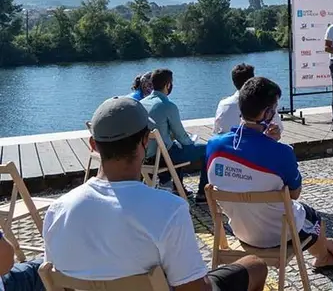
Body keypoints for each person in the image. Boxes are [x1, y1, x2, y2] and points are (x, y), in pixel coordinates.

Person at [43, 97, 268, 291]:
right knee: (255, 265)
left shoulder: (57, 211)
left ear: (93, 145)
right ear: (145, 141)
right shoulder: (170, 209)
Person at [207, 77, 333, 269]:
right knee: (314, 219)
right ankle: (327, 254)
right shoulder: (281, 152)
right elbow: (294, 193)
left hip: (242, 232)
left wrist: (266, 143)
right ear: (267, 113)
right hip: (278, 235)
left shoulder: (214, 146)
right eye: (274, 110)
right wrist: (272, 145)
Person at [141, 68, 208, 204]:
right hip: (162, 156)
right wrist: (192, 142)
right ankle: (202, 194)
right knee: (207, 148)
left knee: (175, 146)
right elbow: (182, 137)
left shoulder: (141, 104)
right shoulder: (167, 106)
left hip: (145, 155)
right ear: (168, 85)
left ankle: (178, 188)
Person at [214, 63, 284, 138]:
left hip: (227, 142)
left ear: (234, 82)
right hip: (258, 142)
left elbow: (216, 131)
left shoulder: (223, 104)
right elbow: (279, 128)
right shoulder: (264, 105)